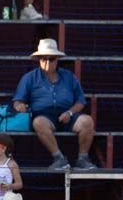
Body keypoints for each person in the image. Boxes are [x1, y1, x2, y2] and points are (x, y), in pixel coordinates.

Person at [11, 38, 95, 170]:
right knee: (38, 122)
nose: (47, 62)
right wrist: (19, 106)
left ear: (57, 60)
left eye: (51, 59)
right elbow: (18, 100)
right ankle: (59, 159)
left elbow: (80, 100)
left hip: (68, 116)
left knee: (87, 121)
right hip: (44, 117)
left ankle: (83, 159)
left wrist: (70, 112)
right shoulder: (29, 77)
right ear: (39, 60)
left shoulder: (69, 76)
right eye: (43, 58)